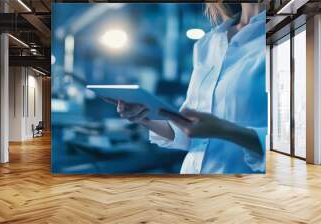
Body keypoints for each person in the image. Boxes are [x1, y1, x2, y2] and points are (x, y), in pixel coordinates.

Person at [113, 2, 267, 174]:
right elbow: (189, 133)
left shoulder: (290, 33)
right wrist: (144, 116)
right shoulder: (208, 44)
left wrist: (225, 131)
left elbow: (298, 143)